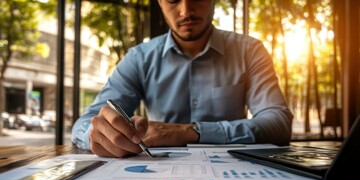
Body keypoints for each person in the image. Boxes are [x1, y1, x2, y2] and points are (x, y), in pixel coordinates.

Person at [72, 0, 293, 157]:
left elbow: (278, 122)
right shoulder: (139, 58)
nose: (186, 10)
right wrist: (102, 134)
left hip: (233, 172)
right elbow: (86, 122)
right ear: (159, 3)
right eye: (173, 0)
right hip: (157, 174)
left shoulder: (249, 51)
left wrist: (189, 132)